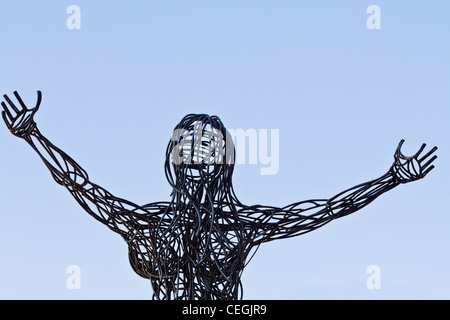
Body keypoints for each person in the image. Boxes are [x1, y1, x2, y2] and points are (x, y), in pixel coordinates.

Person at [1, 91, 437, 300]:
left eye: (208, 148)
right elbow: (82, 186)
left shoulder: (243, 226)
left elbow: (323, 211)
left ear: (223, 161)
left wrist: (391, 179)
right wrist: (33, 136)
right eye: (187, 146)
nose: (196, 156)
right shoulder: (149, 224)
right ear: (173, 157)